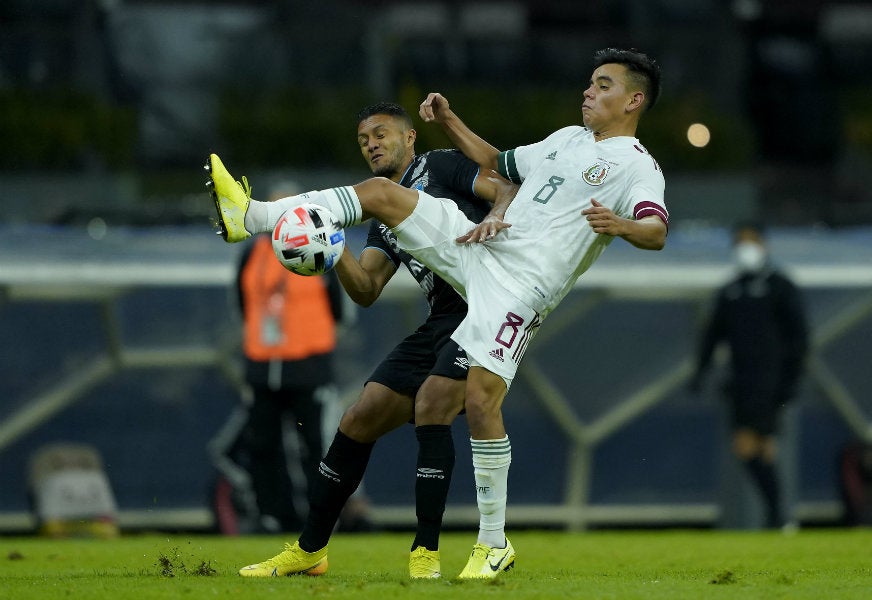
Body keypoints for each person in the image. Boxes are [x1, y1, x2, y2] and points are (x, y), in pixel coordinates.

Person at [207, 47, 668, 579]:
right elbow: (498, 162)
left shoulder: (637, 165)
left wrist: (620, 224)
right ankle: (253, 215)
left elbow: (656, 230)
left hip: (521, 289)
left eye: (603, 85)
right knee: (382, 193)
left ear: (633, 100)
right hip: (485, 251)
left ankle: (491, 543)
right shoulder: (567, 140)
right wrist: (450, 121)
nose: (589, 91)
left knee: (478, 402)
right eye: (590, 82)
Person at [230, 102, 508, 578]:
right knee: (359, 418)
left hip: (487, 305)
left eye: (381, 134)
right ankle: (309, 550)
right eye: (363, 141)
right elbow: (366, 289)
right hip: (442, 317)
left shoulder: (439, 165)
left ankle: (426, 554)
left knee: (432, 405)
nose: (372, 144)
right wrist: (331, 246)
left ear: (409, 137)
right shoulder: (383, 213)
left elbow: (503, 186)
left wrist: (496, 217)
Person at [217, 185, 347, 533]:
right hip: (262, 366)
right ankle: (274, 516)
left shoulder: (323, 247)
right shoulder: (252, 253)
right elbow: (243, 306)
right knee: (262, 446)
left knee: (317, 447)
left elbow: (340, 310)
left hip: (308, 367)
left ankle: (323, 519)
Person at [690, 221, 808, 529]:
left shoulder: (780, 286)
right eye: (739, 242)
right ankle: (779, 517)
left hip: (770, 379)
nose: (745, 248)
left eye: (750, 241)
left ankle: (778, 515)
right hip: (740, 380)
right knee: (762, 449)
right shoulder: (731, 290)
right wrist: (700, 372)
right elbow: (712, 334)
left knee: (747, 445)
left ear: (764, 244)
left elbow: (799, 337)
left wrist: (791, 380)